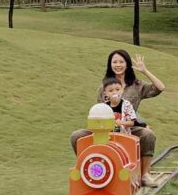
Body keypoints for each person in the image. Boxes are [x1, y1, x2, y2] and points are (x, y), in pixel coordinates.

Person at [70, 49, 166, 187]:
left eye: (121, 61)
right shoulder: (103, 87)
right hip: (105, 128)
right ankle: (86, 169)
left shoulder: (137, 85)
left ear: (127, 64)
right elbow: (99, 110)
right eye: (114, 62)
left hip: (128, 126)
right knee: (77, 136)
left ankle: (145, 175)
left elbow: (160, 87)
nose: (118, 65)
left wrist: (144, 71)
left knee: (148, 134)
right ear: (110, 65)